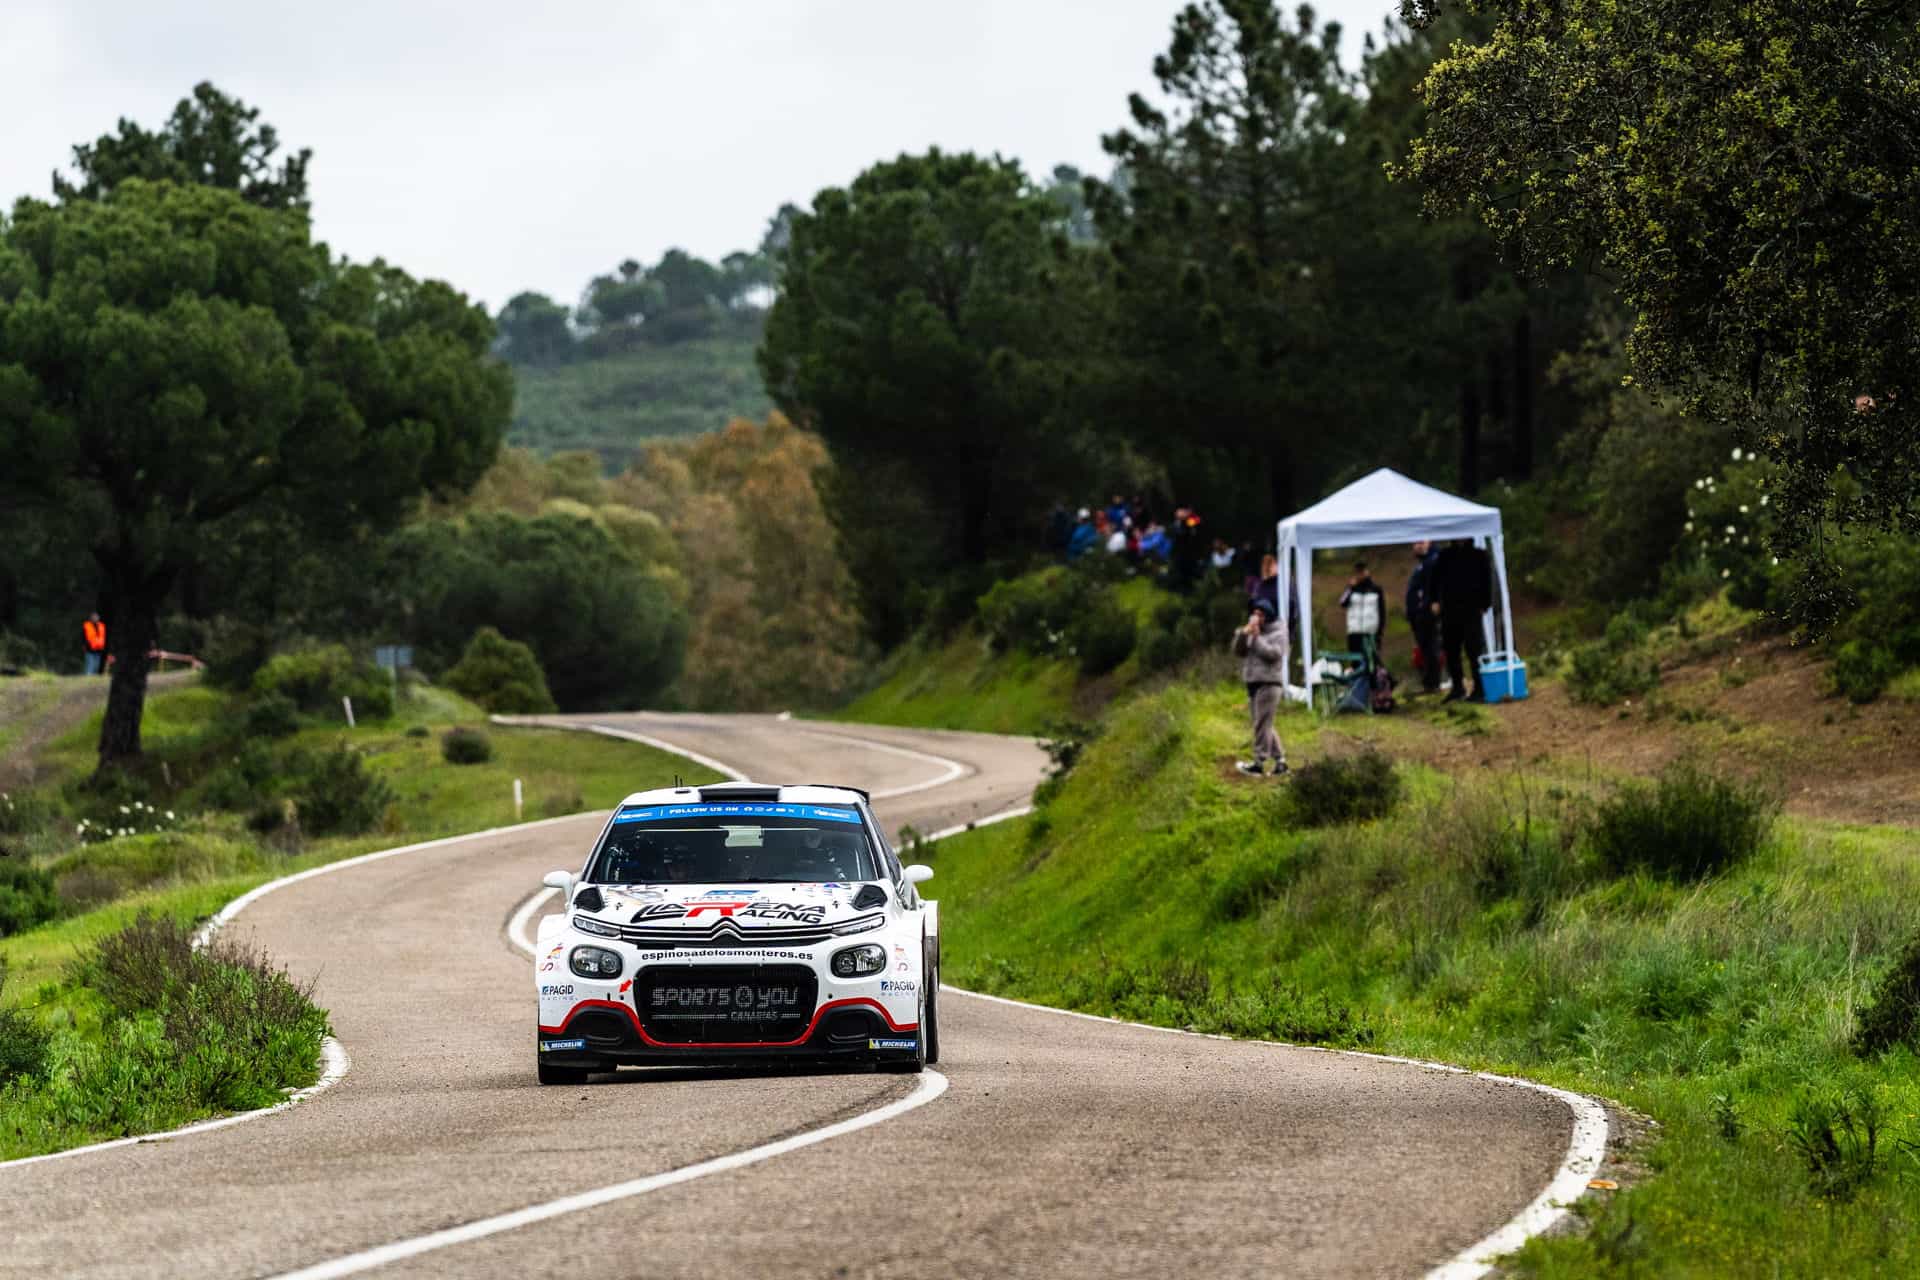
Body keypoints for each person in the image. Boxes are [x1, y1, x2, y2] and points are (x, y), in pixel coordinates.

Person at [1431, 538, 1494, 702]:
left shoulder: (1479, 555)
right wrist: (1434, 600)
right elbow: (1434, 580)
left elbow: (1487, 580)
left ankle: (1479, 688)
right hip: (1449, 610)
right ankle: (1457, 687)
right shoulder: (1444, 556)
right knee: (1451, 650)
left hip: (1472, 610)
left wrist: (1485, 604)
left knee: (1474, 650)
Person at [1232, 600, 1289, 777]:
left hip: (1269, 683)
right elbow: (1238, 651)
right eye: (1255, 613)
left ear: (1269, 616)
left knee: (1261, 724)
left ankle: (1258, 763)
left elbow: (1274, 654)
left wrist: (1256, 638)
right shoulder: (1251, 630)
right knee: (1265, 724)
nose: (1257, 618)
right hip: (1253, 683)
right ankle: (1281, 762)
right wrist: (1243, 634)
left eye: (1261, 614)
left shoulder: (1279, 632)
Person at [1405, 541, 1441, 692]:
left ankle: (1433, 682)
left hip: (1427, 614)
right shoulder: (1422, 564)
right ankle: (1429, 681)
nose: (1417, 546)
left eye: (1421, 542)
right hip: (1418, 614)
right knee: (1424, 648)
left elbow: (1433, 587)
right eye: (1415, 543)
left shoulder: (1433, 561)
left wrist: (1428, 604)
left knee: (1431, 646)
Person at [1338, 560, 1385, 670]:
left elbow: (1382, 612)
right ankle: (1358, 685)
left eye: (1362, 571)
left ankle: (1374, 685)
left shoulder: (1376, 589)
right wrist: (1350, 588)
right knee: (1355, 662)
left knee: (1372, 662)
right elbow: (1342, 602)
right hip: (1354, 632)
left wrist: (1380, 632)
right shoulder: (1351, 589)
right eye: (1358, 572)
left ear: (1367, 572)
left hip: (1370, 632)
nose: (1360, 575)